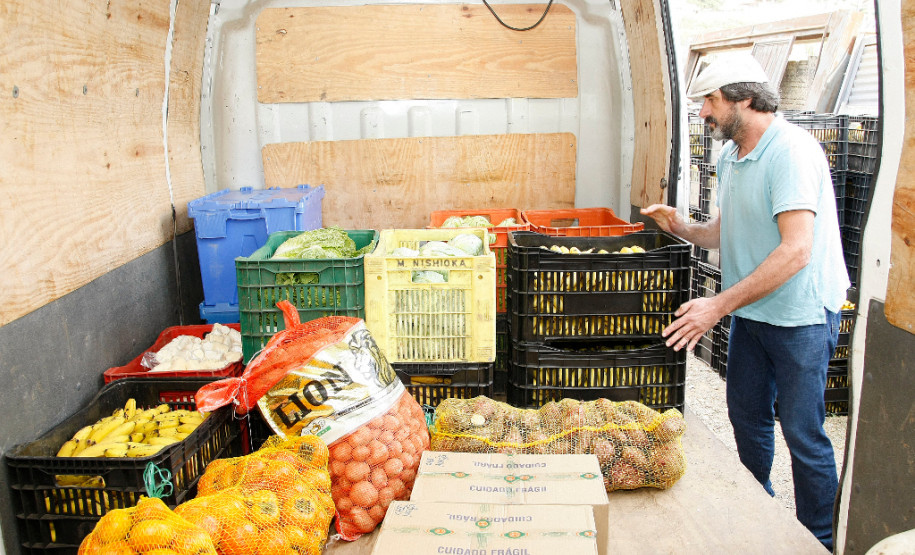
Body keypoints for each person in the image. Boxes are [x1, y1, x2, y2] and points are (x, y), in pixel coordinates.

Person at [641, 52, 849, 551]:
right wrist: (682, 228)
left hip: (800, 315)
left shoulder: (791, 153)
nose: (703, 114)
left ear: (745, 98)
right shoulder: (731, 156)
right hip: (752, 314)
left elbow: (796, 250)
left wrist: (717, 305)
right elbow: (723, 229)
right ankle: (757, 508)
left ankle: (819, 539)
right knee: (748, 419)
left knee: (803, 433)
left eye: (709, 101)